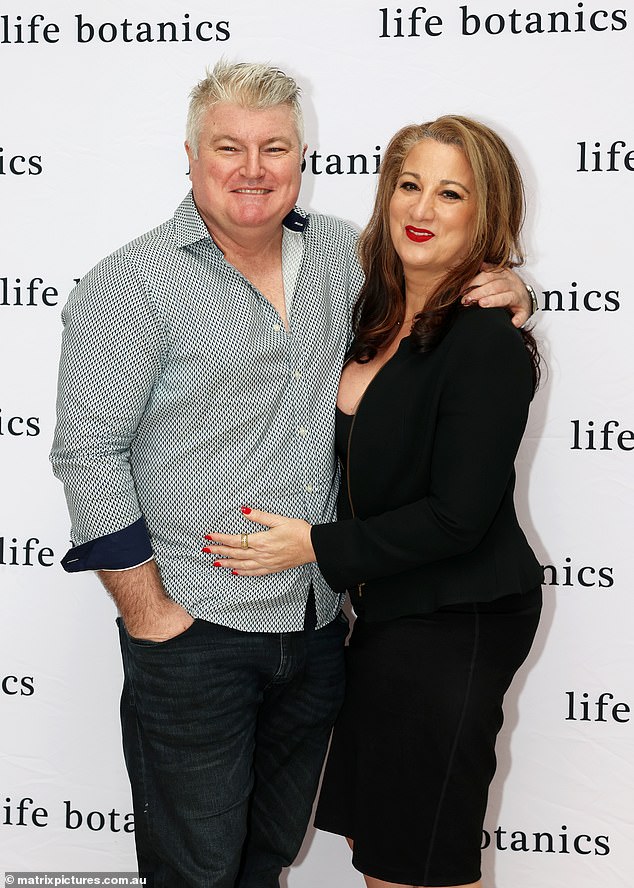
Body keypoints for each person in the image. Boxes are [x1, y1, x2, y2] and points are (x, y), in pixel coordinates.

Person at [50, 57, 534, 888]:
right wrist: (149, 613)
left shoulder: (349, 263)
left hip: (316, 633)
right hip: (196, 631)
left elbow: (439, 314)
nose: (251, 168)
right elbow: (85, 452)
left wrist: (506, 288)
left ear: (301, 156)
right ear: (191, 155)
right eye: (228, 146)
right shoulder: (130, 284)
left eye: (273, 147)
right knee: (196, 869)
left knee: (266, 856)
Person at [205, 115, 543, 888]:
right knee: (378, 845)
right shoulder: (368, 310)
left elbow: (458, 517)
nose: (420, 210)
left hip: (458, 619)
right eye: (408, 185)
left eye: (449, 193)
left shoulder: (485, 339)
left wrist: (314, 547)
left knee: (414, 858)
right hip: (388, 618)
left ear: (484, 211)